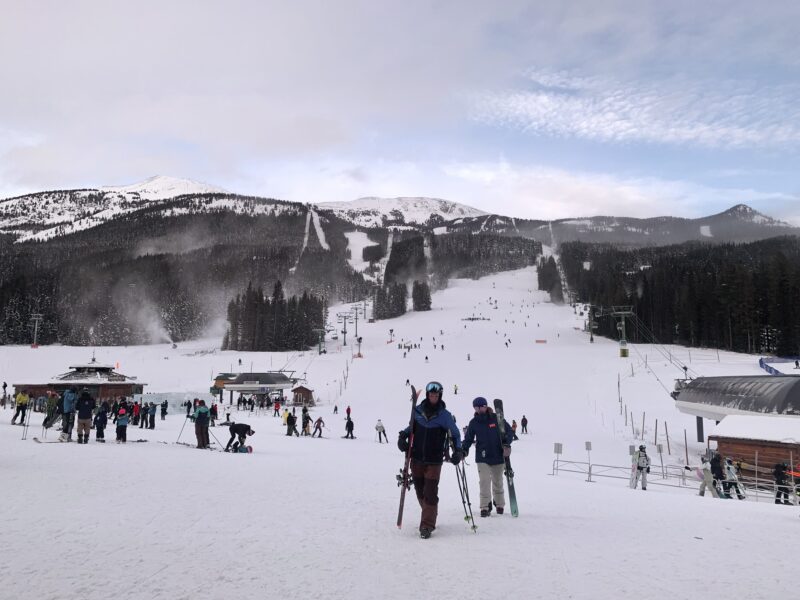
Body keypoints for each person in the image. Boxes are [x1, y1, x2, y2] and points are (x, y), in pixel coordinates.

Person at [397, 381, 462, 539]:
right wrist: (403, 436)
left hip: (434, 460)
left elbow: (455, 434)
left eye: (436, 394)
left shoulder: (444, 416)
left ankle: (426, 525)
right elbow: (411, 427)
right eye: (431, 394)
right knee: (420, 491)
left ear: (439, 396)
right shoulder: (418, 411)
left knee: (430, 492)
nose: (433, 396)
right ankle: (430, 512)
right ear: (427, 395)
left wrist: (458, 450)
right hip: (417, 457)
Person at [462, 397, 513, 517]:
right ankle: (485, 506)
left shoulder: (497, 418)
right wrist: (463, 450)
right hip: (482, 456)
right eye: (476, 407)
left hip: (498, 455)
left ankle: (499, 504)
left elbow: (509, 432)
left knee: (498, 481)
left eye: (481, 407)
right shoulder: (474, 422)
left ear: (486, 406)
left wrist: (507, 444)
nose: (479, 409)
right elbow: (468, 439)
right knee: (484, 481)